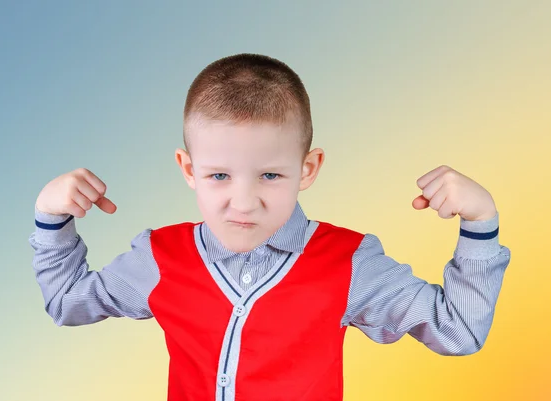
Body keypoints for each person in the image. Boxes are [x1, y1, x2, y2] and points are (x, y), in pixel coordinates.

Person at [29, 53, 511, 401]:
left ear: (308, 168)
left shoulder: (348, 262)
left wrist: (480, 224)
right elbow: (68, 304)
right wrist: (52, 220)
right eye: (219, 175)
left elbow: (458, 332)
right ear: (188, 168)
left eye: (271, 175)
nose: (244, 202)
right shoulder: (159, 256)